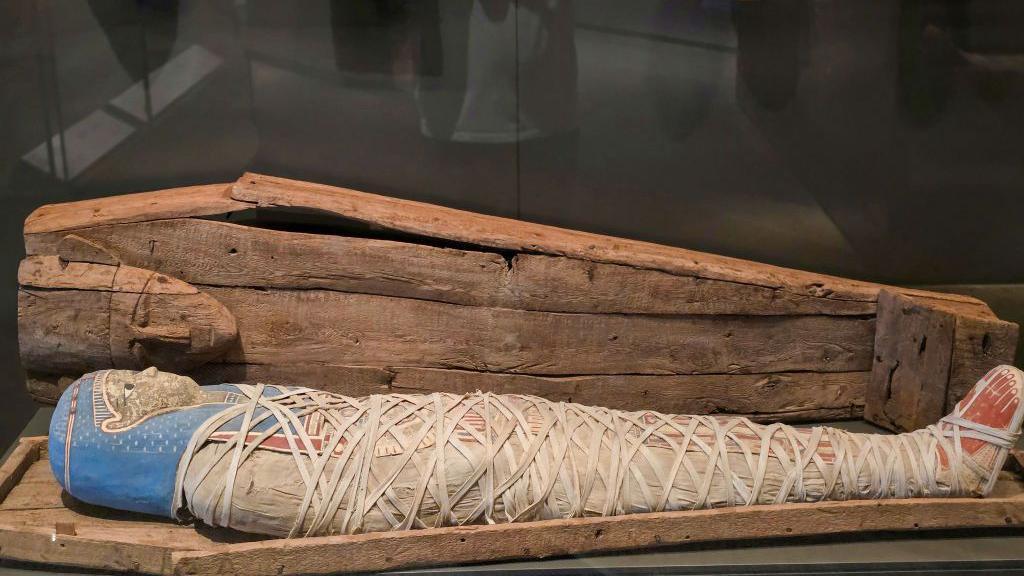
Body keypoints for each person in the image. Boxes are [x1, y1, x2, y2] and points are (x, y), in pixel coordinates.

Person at [50, 365, 1023, 538]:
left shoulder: (222, 423)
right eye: (123, 398)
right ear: (128, 436)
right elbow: (333, 496)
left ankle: (928, 461)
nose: (142, 382)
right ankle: (929, 467)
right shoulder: (217, 472)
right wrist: (468, 458)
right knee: (700, 464)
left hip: (483, 433)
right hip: (489, 470)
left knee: (693, 445)